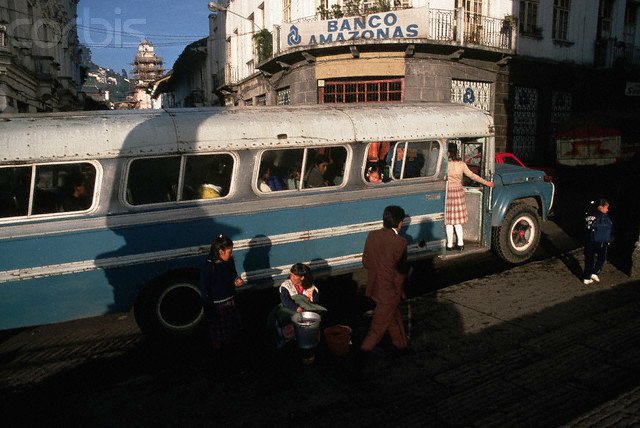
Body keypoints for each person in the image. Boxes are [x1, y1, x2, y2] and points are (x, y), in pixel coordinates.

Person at [359, 205, 409, 357]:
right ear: (400, 223)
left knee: (393, 317)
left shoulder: (372, 235)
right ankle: (362, 354)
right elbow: (401, 272)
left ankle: (401, 346)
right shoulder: (400, 242)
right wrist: (397, 290)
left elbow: (365, 262)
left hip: (375, 287)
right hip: (389, 292)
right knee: (378, 327)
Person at [200, 234, 244, 352]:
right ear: (221, 251)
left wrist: (236, 280)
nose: (231, 255)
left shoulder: (229, 262)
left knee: (233, 331)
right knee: (220, 334)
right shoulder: (209, 268)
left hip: (231, 300)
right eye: (229, 252)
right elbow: (205, 291)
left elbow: (233, 275)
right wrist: (209, 309)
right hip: (218, 306)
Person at [445, 145, 494, 251]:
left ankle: (449, 245)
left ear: (448, 152)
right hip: (458, 192)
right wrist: (487, 183)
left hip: (448, 192)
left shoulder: (445, 165)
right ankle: (460, 244)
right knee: (457, 221)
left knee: (449, 221)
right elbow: (472, 176)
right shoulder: (461, 164)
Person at [267, 263, 326, 349]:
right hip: (289, 311)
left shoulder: (311, 288)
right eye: (291, 275)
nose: (291, 277)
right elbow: (285, 301)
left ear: (302, 277)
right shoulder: (286, 286)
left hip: (305, 313)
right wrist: (296, 308)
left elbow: (315, 304)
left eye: (294, 276)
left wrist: (308, 309)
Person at [583, 198, 614, 285]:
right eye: (606, 208)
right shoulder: (603, 217)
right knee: (602, 257)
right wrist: (610, 239)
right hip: (600, 241)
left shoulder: (589, 214)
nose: (607, 210)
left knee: (589, 259)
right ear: (601, 207)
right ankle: (595, 272)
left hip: (589, 239)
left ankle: (586, 277)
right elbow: (608, 228)